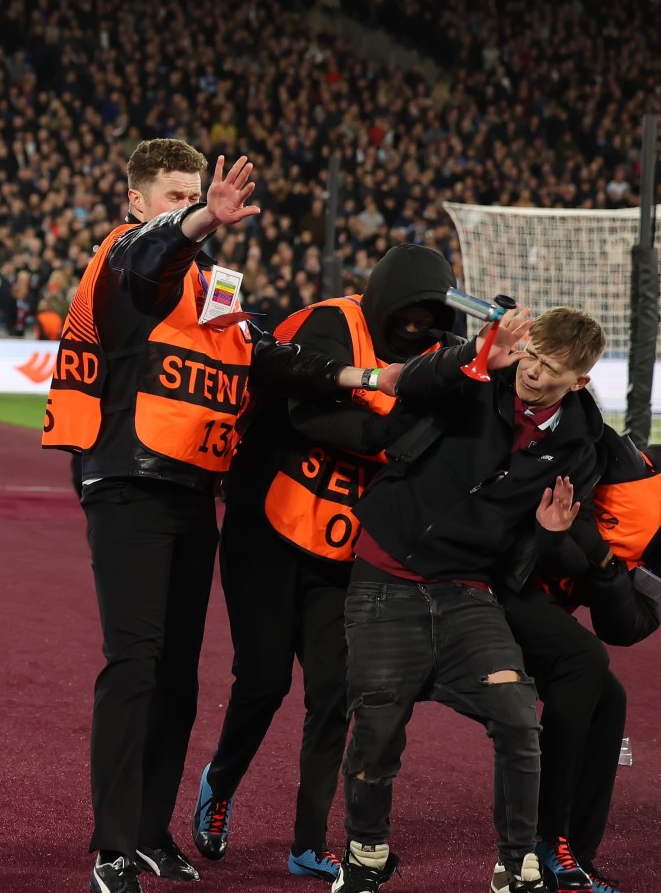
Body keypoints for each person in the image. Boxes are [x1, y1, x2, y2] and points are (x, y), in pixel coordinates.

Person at [41, 138, 402, 893]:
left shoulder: (216, 289)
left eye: (193, 192)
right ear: (137, 202)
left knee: (177, 676)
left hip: (193, 493)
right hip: (128, 483)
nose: (188, 204)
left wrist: (367, 373)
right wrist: (200, 217)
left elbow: (266, 353)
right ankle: (110, 847)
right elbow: (152, 257)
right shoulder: (128, 258)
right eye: (174, 195)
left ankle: (149, 834)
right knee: (135, 663)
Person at [192, 243, 461, 883]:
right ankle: (219, 783)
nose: (415, 329)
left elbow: (435, 444)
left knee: (333, 695)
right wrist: (390, 436)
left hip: (341, 549)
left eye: (429, 320)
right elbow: (305, 410)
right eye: (409, 315)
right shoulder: (332, 321)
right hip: (267, 530)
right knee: (263, 683)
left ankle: (308, 842)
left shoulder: (429, 363)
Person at [333, 306, 608, 893]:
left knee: (517, 720)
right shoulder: (481, 376)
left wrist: (551, 537)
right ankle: (366, 855)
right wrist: (477, 356)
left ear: (579, 380)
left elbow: (543, 548)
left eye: (552, 367)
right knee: (377, 726)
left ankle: (517, 864)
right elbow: (413, 383)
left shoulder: (583, 444)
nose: (533, 372)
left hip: (469, 591)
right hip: (386, 574)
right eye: (532, 355)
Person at [492, 427, 661, 893]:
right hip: (496, 578)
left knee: (610, 698)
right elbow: (559, 486)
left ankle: (571, 860)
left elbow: (629, 626)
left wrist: (605, 566)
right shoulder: (625, 467)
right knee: (584, 661)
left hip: (535, 594)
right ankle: (542, 840)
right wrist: (589, 552)